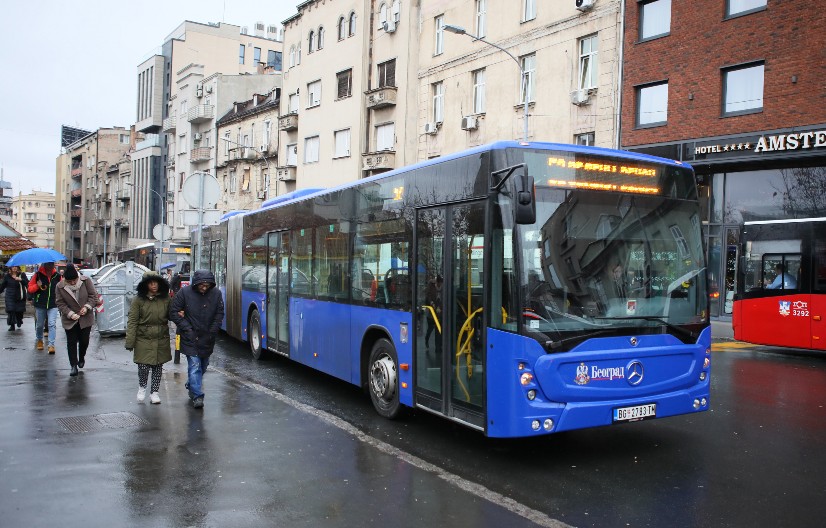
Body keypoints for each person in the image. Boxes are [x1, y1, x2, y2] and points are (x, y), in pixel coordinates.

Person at [169, 270, 224, 409]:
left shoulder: (216, 294)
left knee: (203, 365)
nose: (204, 288)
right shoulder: (184, 293)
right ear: (197, 283)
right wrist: (187, 328)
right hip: (190, 336)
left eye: (207, 285)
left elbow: (219, 314)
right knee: (195, 366)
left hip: (207, 337)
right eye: (202, 285)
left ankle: (192, 385)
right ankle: (197, 396)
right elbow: (174, 311)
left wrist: (212, 331)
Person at [125, 272, 172, 404]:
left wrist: (179, 313)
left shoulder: (166, 298)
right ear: (145, 285)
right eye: (151, 283)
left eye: (156, 282)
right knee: (143, 366)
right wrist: (130, 341)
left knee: (158, 366)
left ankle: (154, 392)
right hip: (143, 337)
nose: (154, 285)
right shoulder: (138, 300)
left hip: (161, 336)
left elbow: (171, 315)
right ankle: (142, 387)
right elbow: (132, 321)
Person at [55, 264, 99, 376]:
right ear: (65, 279)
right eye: (70, 281)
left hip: (85, 317)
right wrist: (69, 313)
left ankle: (82, 357)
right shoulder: (60, 286)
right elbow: (60, 303)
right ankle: (73, 366)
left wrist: (87, 307)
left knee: (84, 341)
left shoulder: (86, 281)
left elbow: (93, 296)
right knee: (71, 342)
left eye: (74, 280)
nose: (73, 283)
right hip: (70, 319)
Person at [27, 261, 61, 353]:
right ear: (44, 265)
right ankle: (39, 340)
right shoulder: (37, 275)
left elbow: (62, 288)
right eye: (48, 264)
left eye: (52, 264)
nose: (50, 266)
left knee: (52, 324)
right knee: (39, 325)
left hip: (53, 304)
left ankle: (51, 345)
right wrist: (37, 286)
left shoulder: (57, 276)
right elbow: (30, 289)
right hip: (40, 304)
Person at [0, 265, 29, 331]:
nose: (14, 268)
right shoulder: (7, 276)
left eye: (16, 266)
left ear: (18, 267)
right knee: (11, 310)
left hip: (20, 296)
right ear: (10, 268)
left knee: (19, 311)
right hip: (10, 296)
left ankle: (19, 320)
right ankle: (12, 326)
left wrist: (20, 280)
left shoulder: (22, 275)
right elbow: (3, 286)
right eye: (13, 266)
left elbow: (27, 283)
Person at [424, 274, 443, 351]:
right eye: (439, 284)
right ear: (436, 282)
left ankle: (438, 347)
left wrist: (441, 308)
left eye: (441, 284)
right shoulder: (431, 285)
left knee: (438, 328)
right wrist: (432, 303)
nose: (440, 285)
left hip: (440, 310)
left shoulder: (443, 286)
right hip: (432, 309)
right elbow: (428, 296)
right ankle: (426, 339)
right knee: (431, 328)